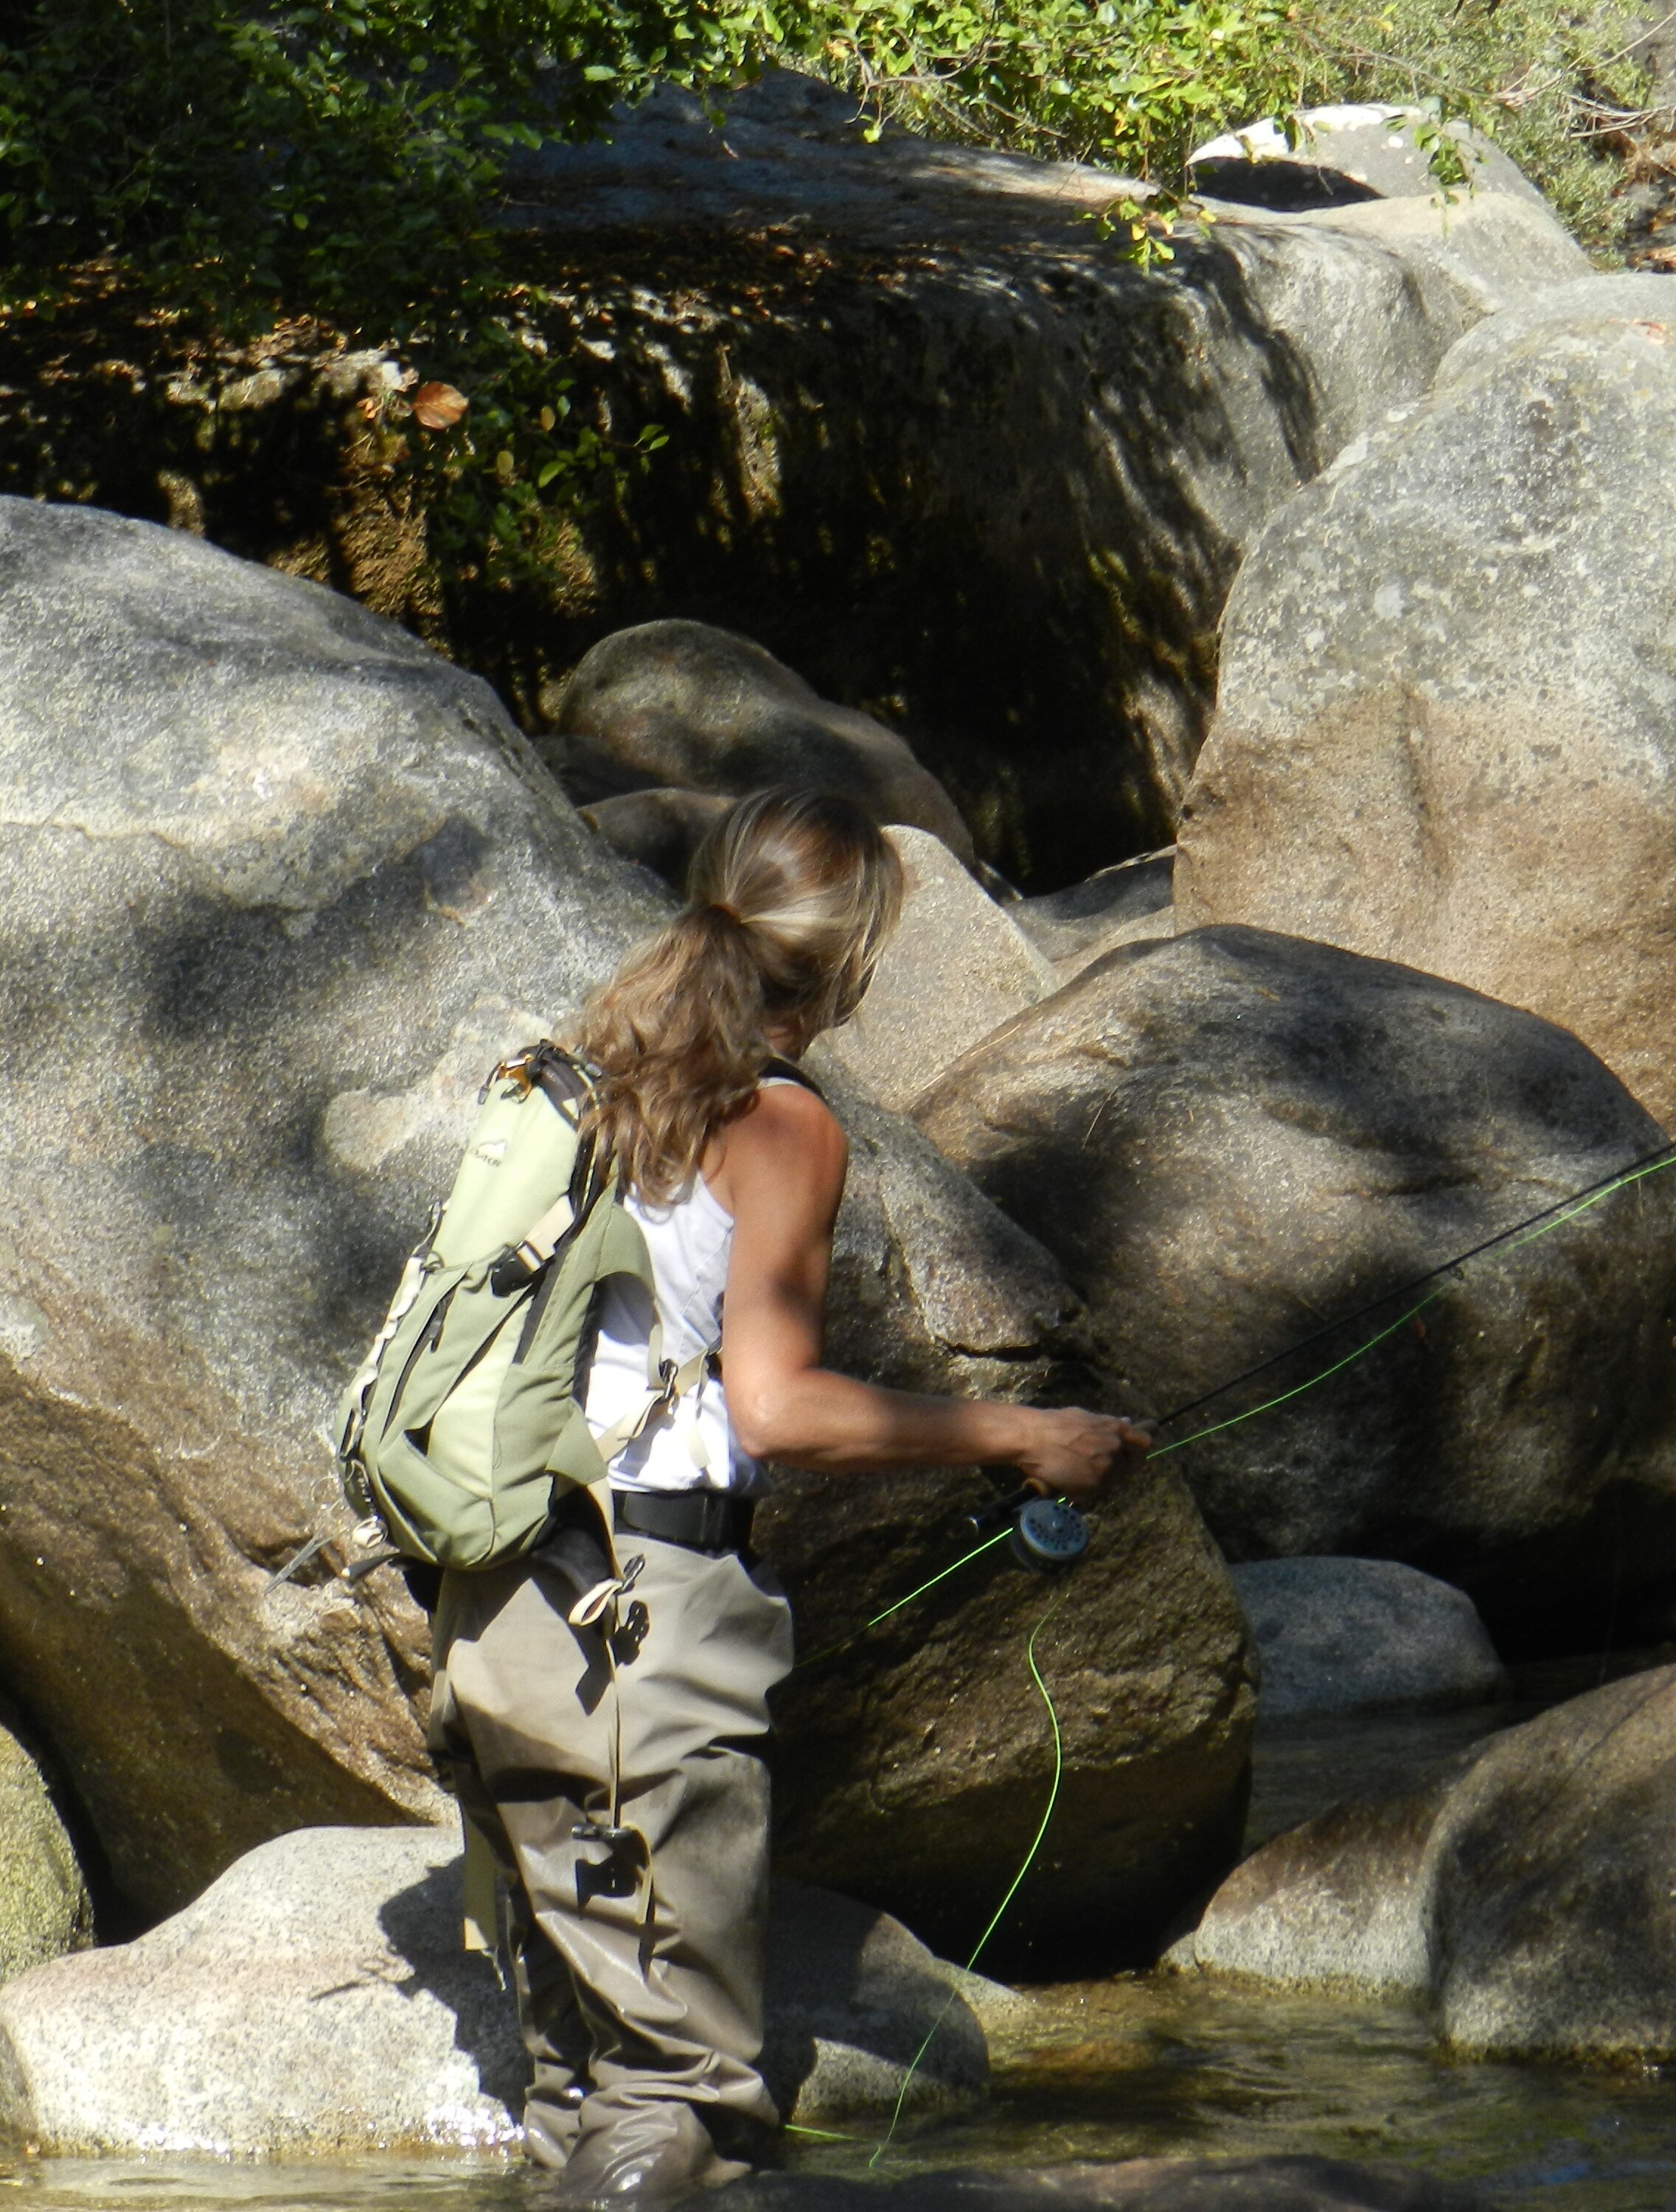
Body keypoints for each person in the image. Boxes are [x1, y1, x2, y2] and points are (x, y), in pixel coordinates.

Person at [423, 787, 1147, 2202]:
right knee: (680, 2110)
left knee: (576, 2089)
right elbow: (777, 1407)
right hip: (644, 1619)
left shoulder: (594, 1068)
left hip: (498, 1606)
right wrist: (1022, 1436)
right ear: (850, 963)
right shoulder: (779, 1119)